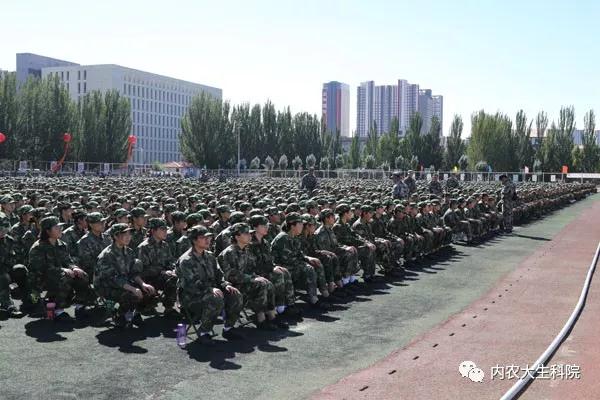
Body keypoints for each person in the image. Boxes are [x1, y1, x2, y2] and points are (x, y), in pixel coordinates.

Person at [175, 225, 244, 344]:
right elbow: (192, 284)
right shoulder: (186, 260)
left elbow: (219, 275)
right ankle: (203, 333)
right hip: (191, 297)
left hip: (209, 292)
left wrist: (225, 285)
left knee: (235, 294)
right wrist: (210, 289)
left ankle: (228, 328)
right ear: (194, 240)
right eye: (203, 237)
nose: (207, 240)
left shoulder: (210, 256)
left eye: (208, 237)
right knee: (215, 299)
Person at [28, 216, 96, 322]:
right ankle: (57, 310)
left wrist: (74, 268)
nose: (60, 230)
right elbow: (40, 268)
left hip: (57, 275)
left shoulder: (61, 244)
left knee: (82, 275)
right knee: (65, 277)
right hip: (41, 279)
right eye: (56, 228)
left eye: (60, 227)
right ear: (47, 231)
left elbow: (68, 261)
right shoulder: (38, 247)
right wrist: (62, 270)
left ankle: (80, 306)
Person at [218, 223, 284, 330]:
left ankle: (272, 316)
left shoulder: (246, 250)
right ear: (237, 237)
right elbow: (230, 276)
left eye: (250, 233)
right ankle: (261, 319)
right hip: (233, 286)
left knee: (267, 283)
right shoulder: (229, 253)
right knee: (261, 284)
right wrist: (252, 278)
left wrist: (256, 276)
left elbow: (252, 268)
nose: (249, 236)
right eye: (246, 234)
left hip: (246, 282)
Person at [95, 223, 154, 328]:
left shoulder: (128, 251)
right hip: (106, 286)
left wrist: (143, 284)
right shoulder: (107, 255)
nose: (128, 237)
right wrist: (133, 289)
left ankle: (134, 313)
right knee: (131, 295)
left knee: (148, 291)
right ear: (115, 236)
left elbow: (133, 273)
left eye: (129, 234)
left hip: (124, 283)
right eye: (124, 234)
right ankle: (119, 314)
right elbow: (113, 278)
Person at [271, 213, 331, 309]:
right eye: (300, 224)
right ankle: (313, 299)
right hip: (281, 267)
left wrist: (308, 258)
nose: (302, 226)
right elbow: (287, 260)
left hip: (291, 265)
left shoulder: (294, 236)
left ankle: (325, 294)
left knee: (315, 263)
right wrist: (305, 262)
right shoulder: (283, 238)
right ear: (292, 226)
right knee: (309, 269)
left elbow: (299, 254)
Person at [247, 215, 301, 319]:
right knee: (277, 275)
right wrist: (271, 269)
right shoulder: (249, 243)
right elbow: (251, 264)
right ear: (255, 227)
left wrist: (274, 266)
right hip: (256, 273)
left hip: (265, 269)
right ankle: (278, 308)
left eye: (267, 225)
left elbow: (269, 260)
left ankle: (288, 305)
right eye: (263, 225)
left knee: (284, 271)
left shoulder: (264, 242)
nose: (266, 227)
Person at [136, 218, 178, 317]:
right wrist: (162, 271)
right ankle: (148, 304)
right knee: (171, 279)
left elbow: (170, 261)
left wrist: (173, 269)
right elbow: (143, 269)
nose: (165, 232)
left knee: (175, 277)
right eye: (162, 229)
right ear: (153, 231)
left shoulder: (165, 245)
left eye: (166, 229)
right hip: (148, 279)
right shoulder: (144, 247)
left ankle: (169, 308)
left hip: (162, 276)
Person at [333, 204, 377, 282]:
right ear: (345, 213)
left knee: (368, 248)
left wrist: (366, 242)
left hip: (350, 247)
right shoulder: (338, 226)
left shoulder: (346, 224)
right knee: (363, 250)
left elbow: (355, 235)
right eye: (350, 212)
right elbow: (349, 239)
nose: (351, 213)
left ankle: (367, 275)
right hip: (342, 249)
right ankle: (346, 280)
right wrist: (364, 243)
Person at [76, 212, 111, 277]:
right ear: (91, 225)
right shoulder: (83, 242)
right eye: (99, 223)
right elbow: (88, 264)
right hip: (96, 274)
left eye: (103, 222)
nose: (103, 224)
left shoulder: (107, 237)